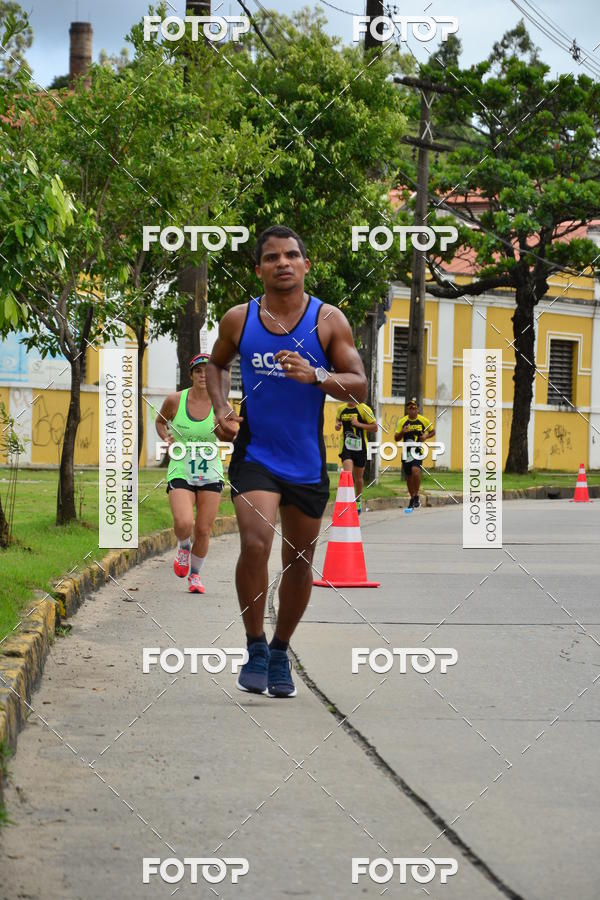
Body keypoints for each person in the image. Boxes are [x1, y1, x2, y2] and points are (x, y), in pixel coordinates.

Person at [206, 224, 368, 698]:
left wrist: (317, 375)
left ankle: (280, 651)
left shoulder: (328, 321)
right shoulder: (239, 319)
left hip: (305, 459)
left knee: (299, 559)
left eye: (291, 255)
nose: (283, 263)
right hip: (256, 452)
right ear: (258, 269)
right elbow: (215, 364)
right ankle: (255, 645)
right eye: (272, 257)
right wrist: (220, 408)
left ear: (305, 265)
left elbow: (358, 383)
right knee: (255, 544)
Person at [156, 353, 224, 593]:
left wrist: (226, 427)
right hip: (181, 468)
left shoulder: (221, 403)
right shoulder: (175, 400)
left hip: (211, 471)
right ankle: (183, 546)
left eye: (208, 371)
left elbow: (231, 433)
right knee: (184, 522)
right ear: (191, 375)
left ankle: (195, 576)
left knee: (204, 530)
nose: (203, 375)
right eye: (198, 371)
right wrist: (166, 438)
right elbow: (160, 422)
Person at [335, 400, 377, 514]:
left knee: (358, 478)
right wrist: (337, 424)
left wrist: (358, 424)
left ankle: (358, 500)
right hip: (346, 447)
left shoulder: (364, 409)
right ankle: (348, 503)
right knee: (348, 475)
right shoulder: (341, 409)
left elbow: (374, 427)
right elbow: (338, 419)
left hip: (360, 448)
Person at [394, 397, 435, 509]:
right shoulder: (402, 421)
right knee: (408, 476)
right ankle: (412, 497)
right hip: (406, 452)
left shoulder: (423, 420)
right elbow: (396, 438)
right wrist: (402, 432)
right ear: (407, 410)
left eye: (414, 408)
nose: (411, 410)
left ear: (417, 410)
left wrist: (426, 436)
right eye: (409, 408)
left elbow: (432, 431)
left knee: (415, 471)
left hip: (418, 450)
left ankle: (416, 495)